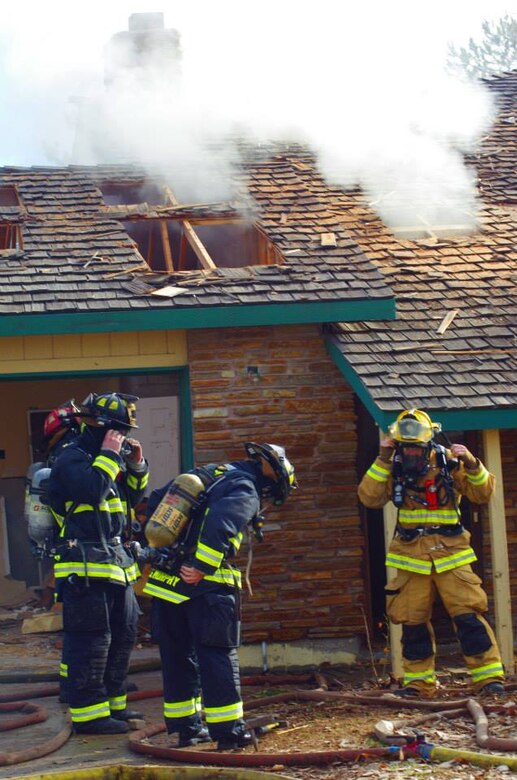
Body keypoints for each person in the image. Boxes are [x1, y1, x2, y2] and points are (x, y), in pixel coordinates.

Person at [142, 442, 297, 750]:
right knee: (217, 656)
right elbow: (222, 523)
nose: (265, 500)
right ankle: (228, 733)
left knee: (177, 657)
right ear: (272, 480)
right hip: (206, 587)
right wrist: (201, 565)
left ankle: (187, 728)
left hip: (165, 583)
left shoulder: (208, 474)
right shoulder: (245, 487)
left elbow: (158, 500)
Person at [358, 408, 504, 699]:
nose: (411, 453)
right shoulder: (392, 465)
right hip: (412, 560)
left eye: (416, 447)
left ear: (427, 443)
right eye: (405, 447)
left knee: (468, 618)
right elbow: (369, 497)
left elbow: (484, 493)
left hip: (452, 556)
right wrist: (383, 457)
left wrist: (472, 463)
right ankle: (418, 684)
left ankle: (488, 678)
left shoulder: (450, 463)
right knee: (413, 625)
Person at [47, 392, 149, 734]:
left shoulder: (110, 458)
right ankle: (90, 718)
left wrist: (135, 465)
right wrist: (108, 453)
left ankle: (113, 709)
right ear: (101, 427)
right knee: (93, 640)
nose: (122, 437)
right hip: (85, 567)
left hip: (116, 564)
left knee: (122, 636)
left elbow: (130, 498)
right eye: (118, 431)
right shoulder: (70, 457)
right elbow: (91, 490)